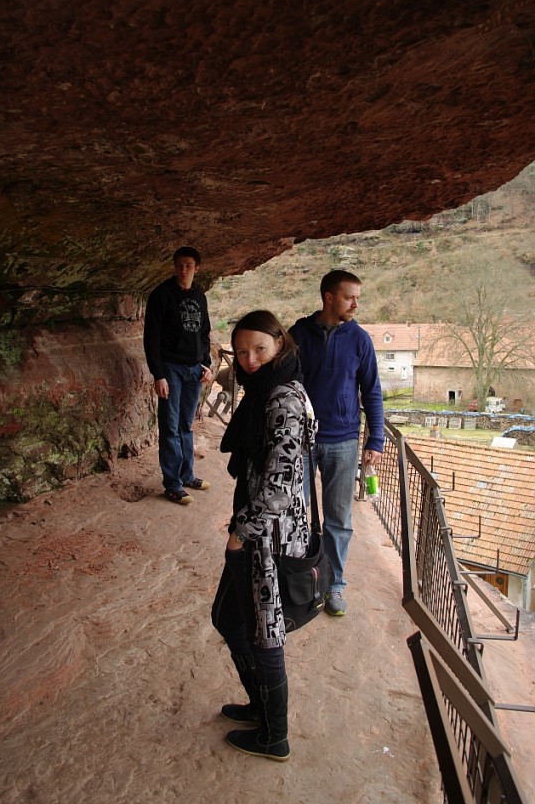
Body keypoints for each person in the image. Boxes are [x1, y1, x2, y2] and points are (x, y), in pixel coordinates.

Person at [211, 310, 316, 762]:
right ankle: (259, 706)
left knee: (264, 633)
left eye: (260, 349)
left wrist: (241, 532)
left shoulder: (283, 398)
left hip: (270, 537)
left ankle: (275, 736)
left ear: (280, 345)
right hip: (259, 530)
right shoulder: (265, 391)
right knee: (229, 618)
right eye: (241, 352)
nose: (249, 360)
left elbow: (281, 486)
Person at [289, 270, 384, 617]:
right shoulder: (299, 334)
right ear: (329, 298)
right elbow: (284, 382)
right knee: (295, 512)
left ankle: (334, 585)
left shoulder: (360, 340)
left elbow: (372, 391)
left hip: (343, 440)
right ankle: (299, 579)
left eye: (357, 297)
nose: (356, 304)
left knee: (339, 520)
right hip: (301, 440)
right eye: (349, 297)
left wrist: (376, 439)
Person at [143, 246, 214, 504]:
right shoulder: (161, 295)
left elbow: (204, 333)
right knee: (170, 427)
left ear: (197, 268)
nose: (183, 270)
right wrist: (158, 374)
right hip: (171, 368)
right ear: (174, 267)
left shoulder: (199, 296)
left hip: (194, 370)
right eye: (179, 265)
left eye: (188, 265)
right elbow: (151, 337)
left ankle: (186, 475)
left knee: (186, 425)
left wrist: (206, 363)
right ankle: (172, 484)